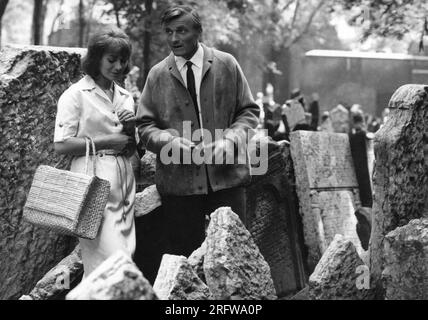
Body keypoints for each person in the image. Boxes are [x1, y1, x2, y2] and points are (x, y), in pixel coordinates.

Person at [136, 5, 259, 257]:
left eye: (181, 31)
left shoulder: (227, 64)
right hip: (179, 186)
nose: (174, 38)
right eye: (169, 32)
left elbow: (248, 112)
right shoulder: (157, 75)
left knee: (234, 257)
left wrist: (230, 141)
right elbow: (145, 127)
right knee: (185, 261)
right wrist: (168, 142)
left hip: (227, 180)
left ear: (198, 31)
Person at [53, 27, 137, 277]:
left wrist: (131, 128)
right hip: (92, 180)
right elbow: (61, 145)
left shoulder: (125, 96)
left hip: (123, 184)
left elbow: (130, 146)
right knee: (109, 261)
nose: (118, 66)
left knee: (124, 256)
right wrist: (107, 140)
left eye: (123, 60)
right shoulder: (75, 95)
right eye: (112, 60)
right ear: (96, 58)